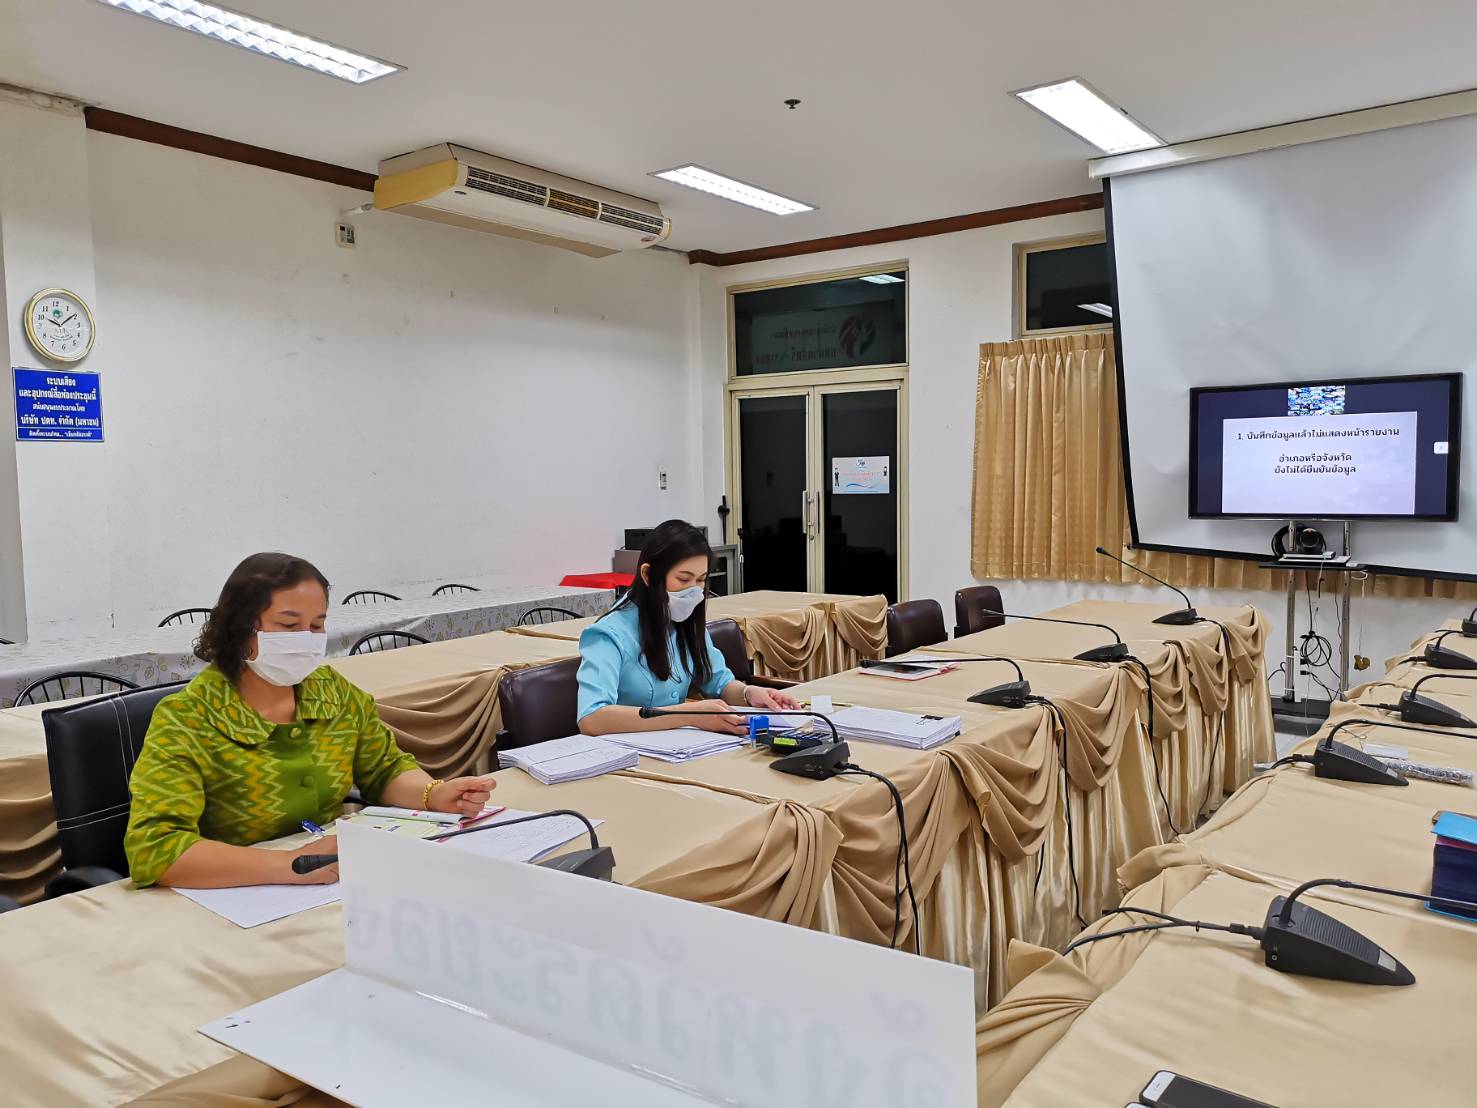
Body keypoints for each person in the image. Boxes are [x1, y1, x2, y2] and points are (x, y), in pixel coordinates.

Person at [124, 552, 495, 889]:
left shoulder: (330, 691)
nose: (306, 640)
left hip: (336, 884)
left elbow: (383, 768)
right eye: (288, 626)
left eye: (317, 626)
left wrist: (432, 794)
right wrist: (288, 865)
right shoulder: (188, 719)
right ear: (242, 630)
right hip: (239, 895)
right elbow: (157, 847)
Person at [577, 520, 800, 736]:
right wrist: (689, 714)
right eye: (683, 579)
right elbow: (592, 717)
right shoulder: (609, 634)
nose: (694, 591)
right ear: (647, 574)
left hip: (678, 749)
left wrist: (749, 693)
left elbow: (718, 682)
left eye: (701, 580)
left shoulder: (687, 623)